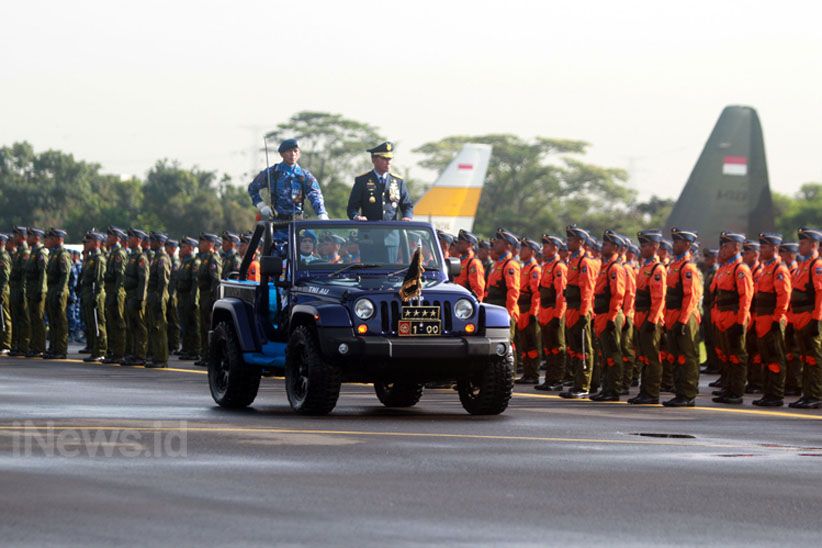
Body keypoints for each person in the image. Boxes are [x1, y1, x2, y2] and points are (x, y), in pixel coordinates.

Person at [710, 232, 754, 404]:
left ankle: (736, 392)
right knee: (726, 356)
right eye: (722, 246)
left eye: (726, 246)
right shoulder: (724, 268)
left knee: (737, 356)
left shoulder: (740, 269)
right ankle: (728, 388)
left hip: (734, 317)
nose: (723, 249)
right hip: (722, 317)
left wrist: (740, 322)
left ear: (736, 247)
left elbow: (746, 298)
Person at [662, 228, 702, 407]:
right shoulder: (674, 266)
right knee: (676, 357)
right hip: (673, 316)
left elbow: (690, 297)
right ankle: (679, 392)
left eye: (678, 242)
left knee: (687, 357)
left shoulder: (688, 268)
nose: (674, 245)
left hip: (684, 316)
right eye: (674, 241)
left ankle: (688, 394)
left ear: (687, 244)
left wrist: (683, 320)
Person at [751, 232, 792, 407]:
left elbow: (784, 296)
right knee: (766, 358)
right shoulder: (765, 269)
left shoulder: (779, 270)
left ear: (774, 249)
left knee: (775, 358)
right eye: (761, 246)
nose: (761, 250)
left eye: (765, 246)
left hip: (772, 319)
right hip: (762, 319)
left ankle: (776, 395)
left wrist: (777, 318)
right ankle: (768, 392)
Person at [628, 230, 667, 405]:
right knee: (643, 357)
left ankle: (652, 393)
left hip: (650, 318)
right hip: (641, 316)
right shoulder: (645, 267)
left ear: (655, 247)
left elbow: (658, 298)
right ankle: (644, 390)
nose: (641, 248)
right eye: (641, 245)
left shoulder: (657, 269)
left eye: (645, 245)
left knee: (652, 357)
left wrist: (652, 320)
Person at [248, 138, 328, 222]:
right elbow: (252, 189)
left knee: (311, 235)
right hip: (277, 224)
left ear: (299, 154)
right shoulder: (272, 173)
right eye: (289, 151)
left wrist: (321, 214)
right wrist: (261, 206)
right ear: (282, 154)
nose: (292, 154)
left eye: (295, 151)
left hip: (298, 225)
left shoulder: (304, 176)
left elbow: (315, 195)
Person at [559, 225, 597, 399]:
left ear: (580, 242)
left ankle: (583, 385)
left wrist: (583, 314)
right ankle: (576, 382)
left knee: (583, 349)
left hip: (580, 311)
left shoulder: (584, 263)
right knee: (574, 349)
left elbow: (587, 290)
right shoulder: (572, 261)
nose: (568, 242)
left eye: (571, 239)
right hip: (572, 309)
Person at [589, 230, 626, 401]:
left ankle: (614, 390)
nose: (603, 246)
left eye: (607, 244)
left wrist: (611, 318)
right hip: (602, 315)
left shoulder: (615, 268)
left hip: (610, 315)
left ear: (616, 247)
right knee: (604, 354)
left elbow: (617, 295)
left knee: (612, 354)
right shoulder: (605, 267)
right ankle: (606, 388)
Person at [787, 227, 821, 409]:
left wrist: (816, 319)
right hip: (800, 318)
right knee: (806, 359)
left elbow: (820, 294)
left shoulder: (817, 266)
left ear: (813, 245)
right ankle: (807, 394)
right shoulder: (803, 265)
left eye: (803, 243)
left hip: (810, 317)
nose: (800, 246)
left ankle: (815, 395)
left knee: (814, 358)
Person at [348, 141, 413, 222]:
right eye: (384, 158)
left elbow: (407, 205)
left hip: (391, 232)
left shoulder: (398, 181)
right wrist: (356, 217)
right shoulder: (362, 181)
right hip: (369, 231)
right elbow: (352, 208)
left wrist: (407, 216)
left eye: (390, 158)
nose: (388, 162)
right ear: (373, 159)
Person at [535, 235, 568, 391]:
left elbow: (560, 294)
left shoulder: (558, 267)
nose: (544, 249)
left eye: (547, 246)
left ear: (555, 248)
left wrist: (558, 315)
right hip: (545, 313)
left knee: (557, 348)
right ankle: (550, 379)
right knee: (549, 348)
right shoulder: (546, 266)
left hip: (554, 313)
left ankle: (557, 380)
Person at [484, 229, 521, 363]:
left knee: (507, 345)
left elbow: (513, 291)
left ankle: (509, 376)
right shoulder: (497, 264)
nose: (495, 244)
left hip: (505, 312)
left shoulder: (510, 265)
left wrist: (509, 313)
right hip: (495, 310)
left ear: (508, 246)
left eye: (499, 242)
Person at [122, 229, 149, 366]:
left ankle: (141, 354)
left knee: (139, 326)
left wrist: (140, 298)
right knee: (132, 326)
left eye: (131, 237)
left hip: (136, 297)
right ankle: (134, 353)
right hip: (130, 295)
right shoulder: (131, 256)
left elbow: (143, 279)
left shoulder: (141, 257)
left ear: (138, 240)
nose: (129, 239)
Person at [779, 242, 803, 395]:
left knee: (795, 353)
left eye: (784, 252)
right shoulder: (789, 270)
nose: (781, 255)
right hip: (789, 317)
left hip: (796, 317)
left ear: (791, 254)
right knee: (787, 352)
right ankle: (790, 382)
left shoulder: (796, 271)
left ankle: (795, 384)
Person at [80, 230, 107, 362]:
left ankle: (101, 350)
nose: (87, 243)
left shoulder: (99, 259)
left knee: (98, 324)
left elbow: (99, 279)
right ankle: (95, 349)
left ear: (96, 243)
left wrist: (96, 296)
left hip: (95, 293)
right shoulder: (91, 258)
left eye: (90, 241)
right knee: (92, 323)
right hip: (89, 293)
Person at [44, 229, 71, 359]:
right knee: (53, 320)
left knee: (60, 321)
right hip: (52, 288)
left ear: (59, 239)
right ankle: (54, 347)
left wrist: (60, 291)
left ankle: (61, 349)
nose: (50, 240)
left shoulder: (62, 254)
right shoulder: (54, 254)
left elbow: (65, 274)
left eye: (53, 238)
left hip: (59, 289)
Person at [195, 233, 222, 366]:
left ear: (210, 244)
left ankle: (210, 357)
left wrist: (213, 300)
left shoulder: (213, 259)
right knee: (203, 327)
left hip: (209, 297)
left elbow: (215, 281)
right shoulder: (205, 258)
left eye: (203, 242)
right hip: (203, 295)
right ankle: (205, 355)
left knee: (208, 327)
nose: (200, 245)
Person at [103, 227, 128, 364]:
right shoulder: (112, 253)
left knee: (118, 323)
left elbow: (120, 276)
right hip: (111, 290)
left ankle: (119, 353)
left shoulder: (119, 253)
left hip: (116, 292)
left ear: (117, 238)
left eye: (110, 236)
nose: (107, 238)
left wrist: (117, 293)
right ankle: (113, 351)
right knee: (111, 323)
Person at [146, 232, 171, 368]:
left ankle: (161, 359)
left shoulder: (162, 258)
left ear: (160, 243)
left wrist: (160, 299)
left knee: (160, 327)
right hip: (154, 296)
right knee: (155, 328)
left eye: (153, 241)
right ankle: (157, 357)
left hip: (158, 296)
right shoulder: (156, 257)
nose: (151, 243)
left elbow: (163, 280)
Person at [743, 239, 764, 393]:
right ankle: (751, 380)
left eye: (747, 252)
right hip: (750, 316)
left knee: (757, 352)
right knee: (750, 350)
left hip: (759, 315)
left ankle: (757, 382)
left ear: (755, 255)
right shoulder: (748, 271)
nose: (744, 255)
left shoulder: (759, 272)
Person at [24, 227, 48, 358]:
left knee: (39, 319)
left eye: (30, 236)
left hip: (38, 290)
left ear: (37, 238)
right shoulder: (33, 252)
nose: (27, 238)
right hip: (32, 289)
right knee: (32, 318)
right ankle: (34, 346)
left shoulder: (41, 252)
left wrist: (41, 290)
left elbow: (43, 273)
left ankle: (40, 347)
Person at [176, 236, 201, 360]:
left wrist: (194, 300)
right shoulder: (184, 262)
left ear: (191, 248)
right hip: (182, 297)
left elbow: (195, 283)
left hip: (189, 297)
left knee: (193, 325)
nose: (181, 249)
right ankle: (186, 349)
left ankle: (195, 351)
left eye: (184, 247)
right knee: (184, 324)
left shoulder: (194, 262)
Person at [620, 240, 638, 393]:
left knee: (626, 349)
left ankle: (626, 382)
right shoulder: (618, 267)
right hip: (616, 313)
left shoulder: (626, 269)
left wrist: (626, 315)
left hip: (626, 314)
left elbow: (630, 294)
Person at [700, 248, 721, 374]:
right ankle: (710, 361)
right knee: (708, 337)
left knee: (714, 338)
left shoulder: (716, 272)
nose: (706, 260)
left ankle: (715, 364)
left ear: (714, 258)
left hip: (713, 307)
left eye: (708, 258)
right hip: (707, 307)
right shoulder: (709, 271)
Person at [453, 230, 485, 301]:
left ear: (469, 244)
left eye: (461, 243)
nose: (458, 245)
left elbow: (478, 289)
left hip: (467, 303)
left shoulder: (474, 263)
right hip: (458, 299)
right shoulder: (461, 260)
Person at [165, 239, 181, 355]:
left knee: (174, 320)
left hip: (173, 294)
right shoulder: (169, 260)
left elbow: (173, 281)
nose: (166, 249)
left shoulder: (175, 262)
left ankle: (175, 345)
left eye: (168, 247)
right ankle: (171, 344)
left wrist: (170, 294)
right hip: (169, 293)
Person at [68, 250, 83, 344]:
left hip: (73, 293)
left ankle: (75, 334)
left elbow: (75, 281)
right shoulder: (72, 265)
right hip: (72, 292)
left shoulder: (75, 266)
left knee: (74, 314)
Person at [0, 233, 11, 354]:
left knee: (5, 317)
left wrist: (1, 291)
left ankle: (6, 343)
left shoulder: (3, 256)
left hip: (3, 290)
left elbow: (5, 276)